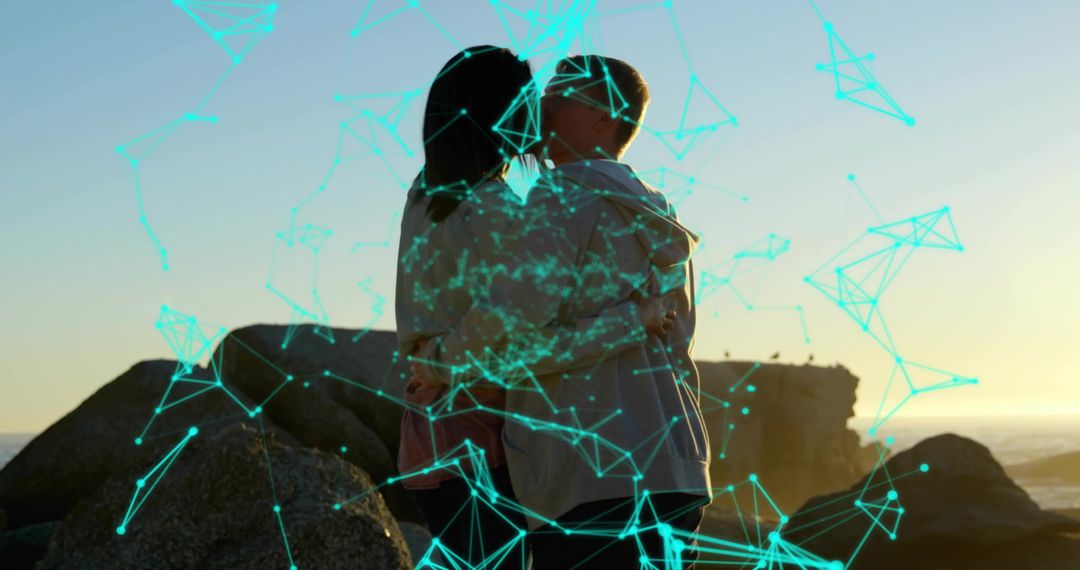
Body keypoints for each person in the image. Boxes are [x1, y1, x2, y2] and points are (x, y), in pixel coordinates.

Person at [417, 54, 713, 569]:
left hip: (591, 473)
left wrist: (438, 362)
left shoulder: (561, 196)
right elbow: (677, 347)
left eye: (559, 95)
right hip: (678, 467)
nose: (541, 107)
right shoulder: (660, 212)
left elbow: (510, 328)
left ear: (604, 115)